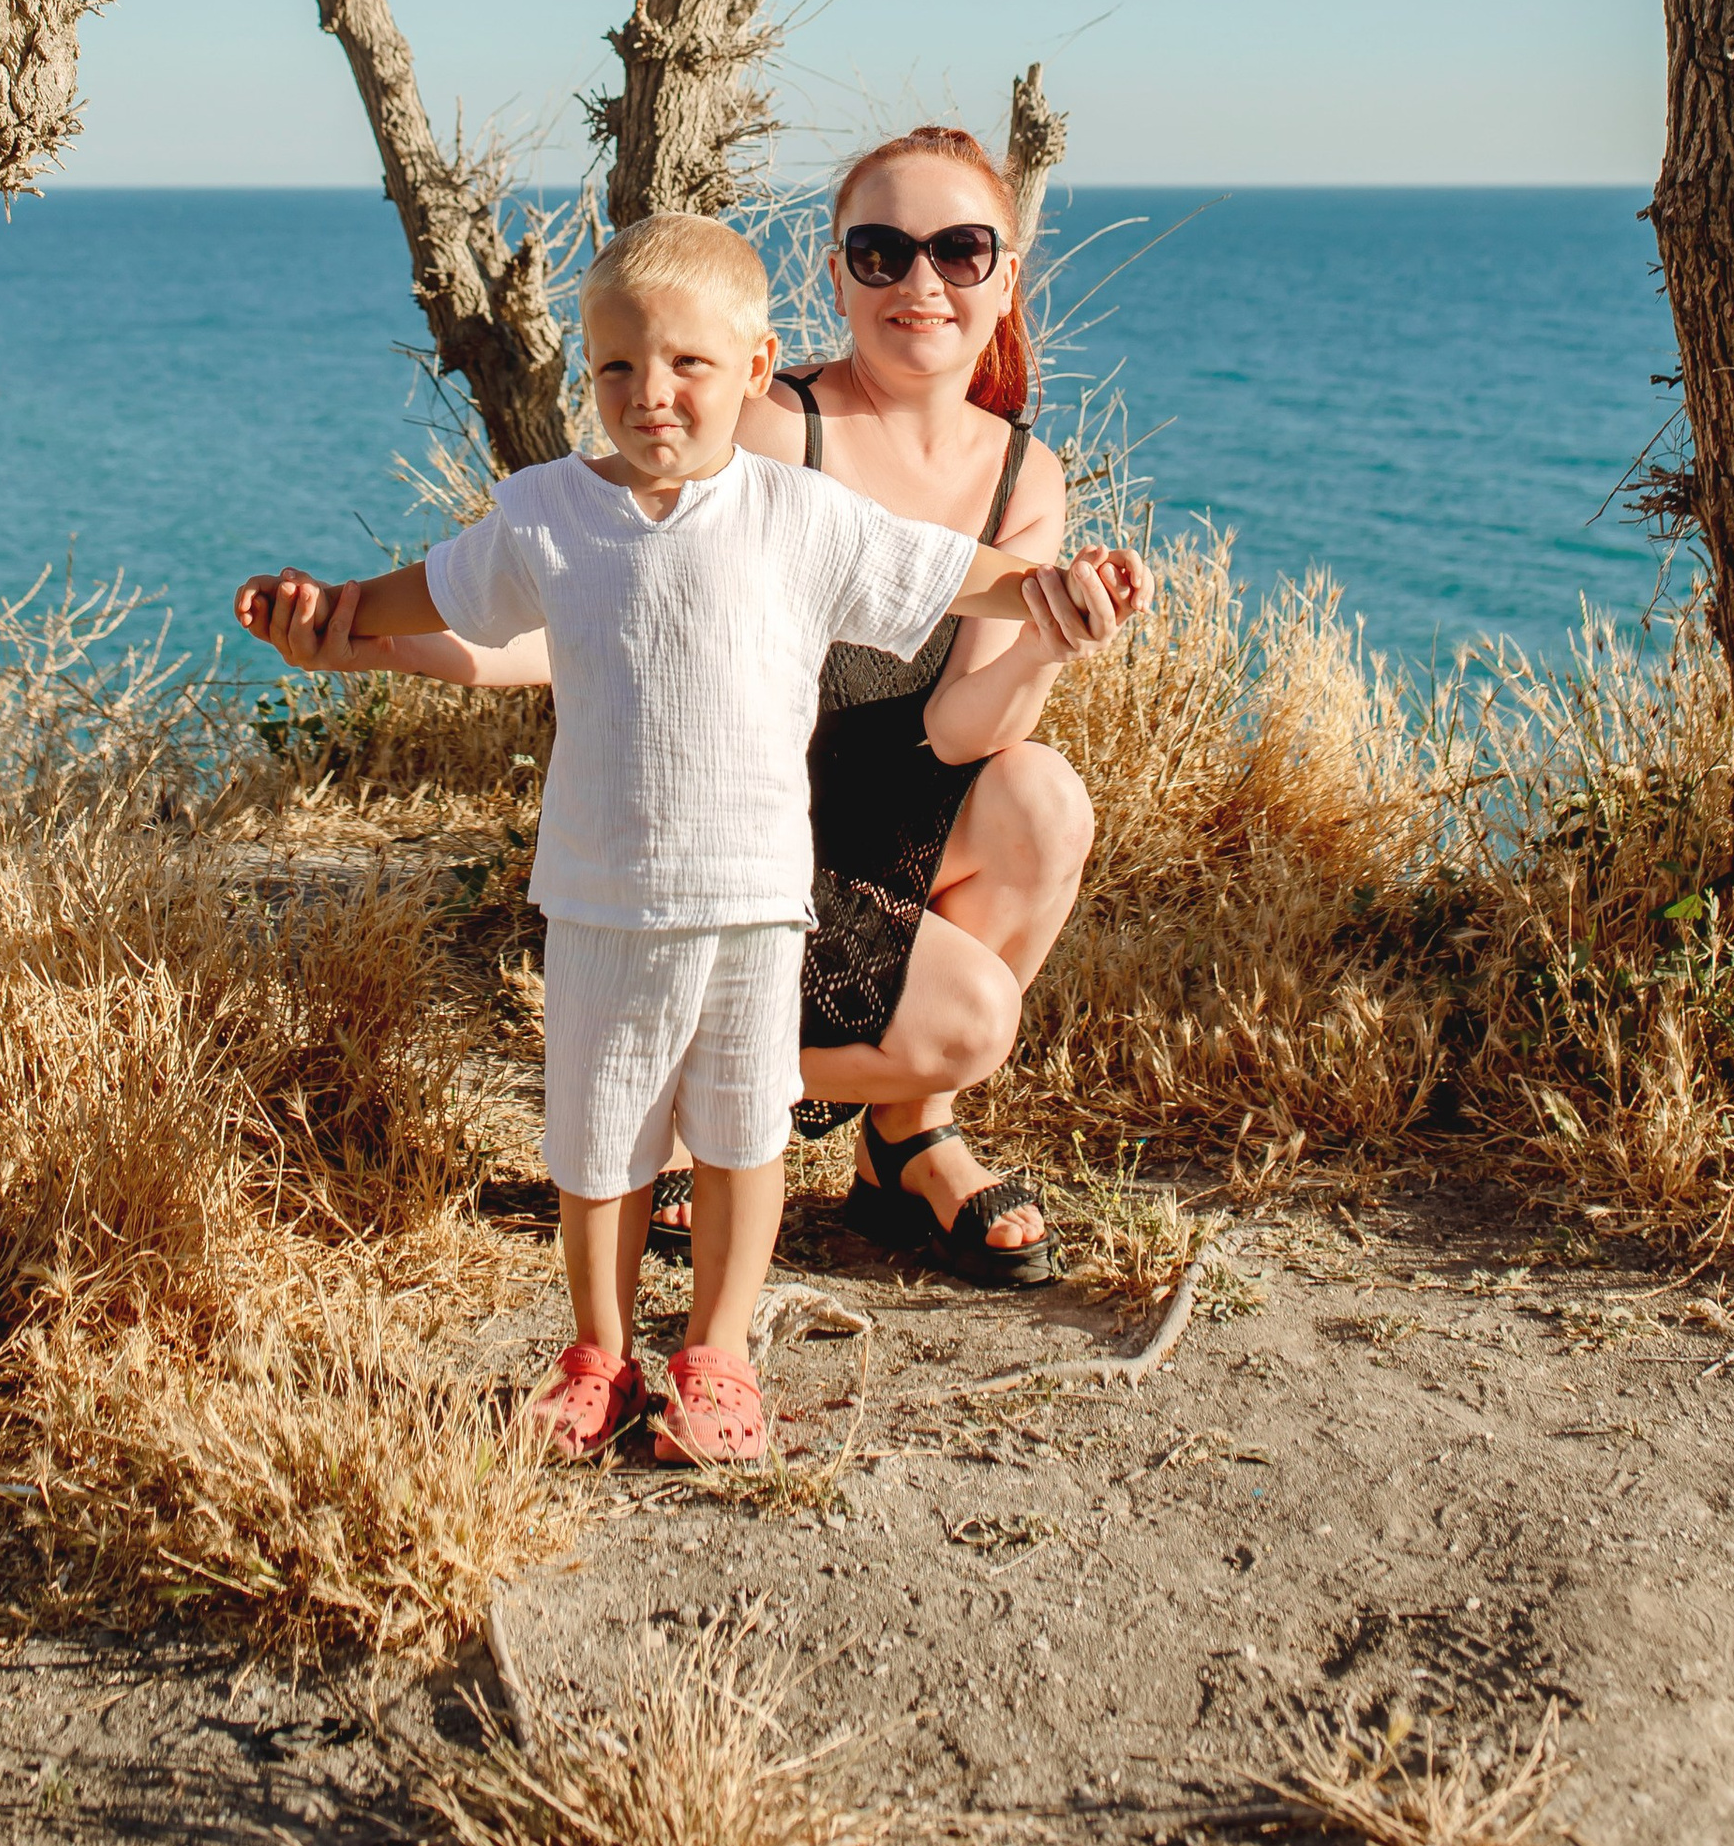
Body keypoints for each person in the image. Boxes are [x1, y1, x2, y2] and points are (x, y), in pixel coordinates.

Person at [235, 212, 1143, 1468]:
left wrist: (1059, 588)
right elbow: (432, 592)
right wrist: (328, 614)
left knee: (738, 1135)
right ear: (587, 375)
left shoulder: (799, 517)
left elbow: (951, 573)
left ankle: (718, 1357)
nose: (648, 395)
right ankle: (596, 1354)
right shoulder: (547, 514)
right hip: (601, 898)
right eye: (615, 369)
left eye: (685, 367)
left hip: (761, 900)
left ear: (757, 366)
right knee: (599, 1144)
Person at [318, 124, 1102, 1285]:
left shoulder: (1024, 475)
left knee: (1043, 796)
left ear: (1002, 276)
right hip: (726, 843)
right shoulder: (770, 426)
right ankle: (673, 1090)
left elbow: (960, 734)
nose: (919, 283)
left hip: (880, 820)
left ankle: (908, 1141)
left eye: (958, 250)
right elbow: (601, 612)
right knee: (973, 1018)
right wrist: (385, 645)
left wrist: (1052, 631)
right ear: (836, 275)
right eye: (879, 251)